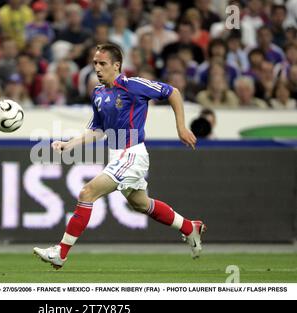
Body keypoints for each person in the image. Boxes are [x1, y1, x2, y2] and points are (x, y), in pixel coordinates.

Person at [34, 43, 206, 269]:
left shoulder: (133, 86)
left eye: (102, 63)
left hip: (132, 154)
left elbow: (172, 92)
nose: (97, 68)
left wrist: (181, 128)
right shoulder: (98, 93)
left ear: (116, 66)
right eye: (95, 63)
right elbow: (96, 129)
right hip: (117, 155)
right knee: (140, 204)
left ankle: (61, 252)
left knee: (87, 193)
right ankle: (188, 227)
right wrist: (70, 144)